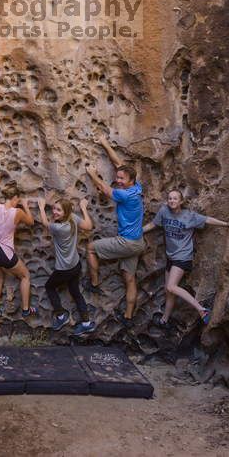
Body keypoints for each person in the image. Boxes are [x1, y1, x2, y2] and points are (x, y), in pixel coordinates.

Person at [143, 189, 229, 325]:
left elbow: (207, 220)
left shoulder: (189, 216)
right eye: (170, 198)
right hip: (170, 257)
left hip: (183, 257)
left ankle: (202, 310)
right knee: (168, 290)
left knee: (171, 286)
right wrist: (139, 231)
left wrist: (226, 224)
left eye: (175, 198)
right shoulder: (164, 211)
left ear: (181, 201)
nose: (172, 201)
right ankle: (165, 319)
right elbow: (154, 224)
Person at [85, 135, 145, 327]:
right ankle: (128, 317)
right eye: (117, 178)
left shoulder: (124, 195)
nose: (118, 180)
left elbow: (104, 188)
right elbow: (119, 164)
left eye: (121, 179)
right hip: (138, 243)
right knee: (129, 279)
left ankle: (94, 284)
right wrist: (104, 143)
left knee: (91, 248)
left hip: (126, 242)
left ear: (130, 181)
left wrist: (92, 173)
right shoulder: (137, 187)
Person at [36, 196, 96, 335]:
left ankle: (61, 316)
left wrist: (41, 208)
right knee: (75, 292)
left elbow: (45, 223)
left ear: (66, 212)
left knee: (49, 286)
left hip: (63, 269)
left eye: (58, 210)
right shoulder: (73, 218)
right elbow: (88, 226)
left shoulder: (59, 227)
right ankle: (86, 323)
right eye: (54, 209)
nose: (55, 212)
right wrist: (83, 209)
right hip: (75, 265)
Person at [0, 174, 37, 320]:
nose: (18, 202)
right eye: (18, 199)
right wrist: (25, 206)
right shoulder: (18, 212)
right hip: (4, 253)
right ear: (14, 198)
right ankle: (25, 309)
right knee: (25, 275)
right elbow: (31, 222)